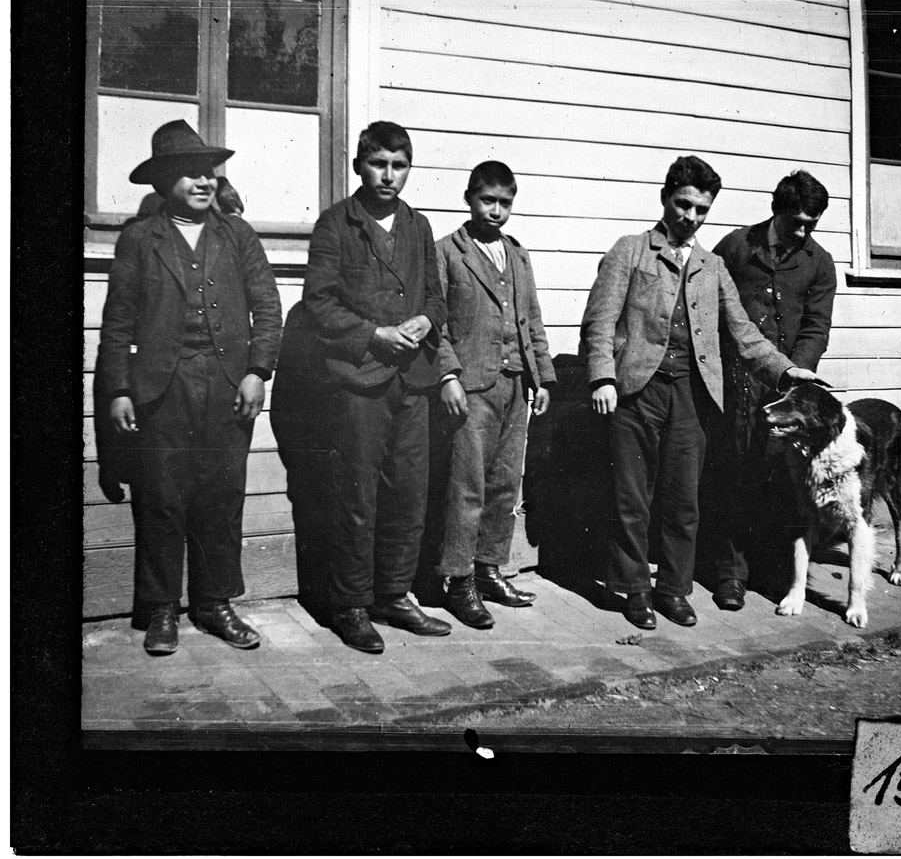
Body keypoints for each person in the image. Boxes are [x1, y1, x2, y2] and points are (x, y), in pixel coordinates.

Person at [580, 155, 824, 631]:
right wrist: (602, 377)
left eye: (701, 210)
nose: (690, 217)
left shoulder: (712, 266)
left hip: (691, 396)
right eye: (683, 204)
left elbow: (743, 332)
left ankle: (673, 590)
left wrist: (787, 369)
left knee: (683, 500)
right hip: (636, 392)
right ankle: (635, 590)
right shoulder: (630, 250)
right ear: (665, 198)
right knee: (632, 499)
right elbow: (599, 321)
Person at [95, 120, 282, 655]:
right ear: (162, 181)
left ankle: (214, 603)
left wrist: (257, 372)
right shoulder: (139, 239)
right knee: (161, 498)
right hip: (162, 389)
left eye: (208, 172)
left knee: (220, 497)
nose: (203, 181)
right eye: (189, 172)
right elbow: (118, 323)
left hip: (228, 385)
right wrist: (119, 389)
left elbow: (268, 309)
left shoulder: (238, 236)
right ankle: (160, 609)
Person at [301, 121, 451, 654]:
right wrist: (372, 335)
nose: (389, 175)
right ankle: (351, 604)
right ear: (359, 166)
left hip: (413, 380)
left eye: (399, 165)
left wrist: (426, 321)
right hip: (359, 381)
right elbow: (318, 304)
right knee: (356, 494)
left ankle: (393, 594)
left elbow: (435, 298)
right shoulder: (335, 224)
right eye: (378, 164)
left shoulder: (417, 225)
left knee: (408, 492)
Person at [423, 161, 557, 629]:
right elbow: (435, 325)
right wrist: (448, 376)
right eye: (487, 201)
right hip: (471, 389)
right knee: (467, 487)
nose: (496, 211)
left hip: (515, 384)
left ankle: (488, 569)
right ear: (469, 198)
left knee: (503, 485)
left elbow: (532, 319)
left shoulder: (517, 254)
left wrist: (543, 378)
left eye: (505, 202)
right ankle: (457, 580)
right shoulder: (447, 252)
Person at [709, 170, 837, 612]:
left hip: (790, 387)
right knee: (735, 471)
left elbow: (816, 326)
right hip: (737, 381)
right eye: (795, 222)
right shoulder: (735, 248)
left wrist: (798, 376)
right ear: (776, 209)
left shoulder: (819, 262)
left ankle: (772, 569)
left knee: (781, 476)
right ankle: (731, 573)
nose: (802, 232)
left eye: (811, 224)